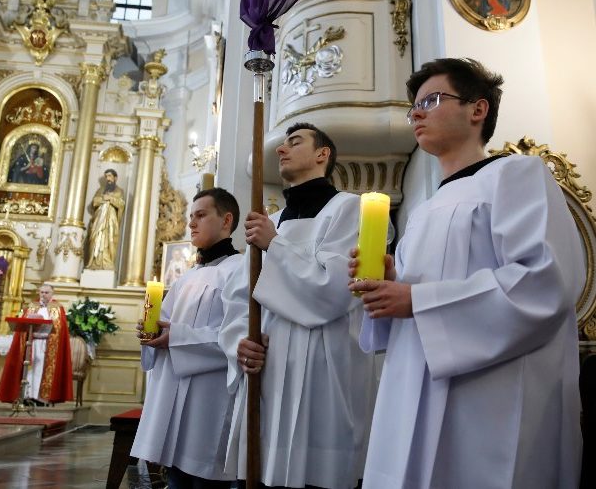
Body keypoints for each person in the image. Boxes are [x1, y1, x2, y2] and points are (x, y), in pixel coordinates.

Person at [349, 58, 584, 488]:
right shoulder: (422, 210)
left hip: (488, 397)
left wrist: (417, 300)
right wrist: (392, 282)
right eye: (413, 107)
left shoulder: (516, 175)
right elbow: (415, 298)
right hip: (413, 386)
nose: (416, 113)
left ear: (478, 110)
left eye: (432, 100)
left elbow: (544, 282)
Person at [220, 122, 376, 489]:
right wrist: (240, 342)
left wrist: (276, 246)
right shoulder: (270, 222)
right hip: (269, 371)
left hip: (324, 371)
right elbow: (238, 300)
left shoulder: (348, 209)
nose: (280, 149)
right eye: (282, 143)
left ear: (323, 154)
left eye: (295, 142)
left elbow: (335, 291)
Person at [131, 187, 243, 489]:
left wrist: (175, 337)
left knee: (206, 476)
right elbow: (164, 326)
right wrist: (151, 332)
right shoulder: (185, 277)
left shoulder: (242, 269)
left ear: (226, 220)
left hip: (211, 396)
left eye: (201, 215)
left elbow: (238, 337)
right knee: (176, 478)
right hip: (172, 392)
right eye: (190, 217)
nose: (191, 223)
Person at [0, 283, 73, 405]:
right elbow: (24, 324)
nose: (43, 295)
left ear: (52, 293)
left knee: (40, 369)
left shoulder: (57, 308)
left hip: (47, 345)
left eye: (46, 293)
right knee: (30, 369)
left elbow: (59, 328)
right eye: (41, 292)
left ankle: (41, 398)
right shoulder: (32, 306)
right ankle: (27, 396)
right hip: (31, 343)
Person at [86, 169, 125, 270]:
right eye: (106, 176)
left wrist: (110, 199)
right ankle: (94, 262)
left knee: (109, 239)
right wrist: (104, 198)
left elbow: (121, 205)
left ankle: (107, 262)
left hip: (111, 221)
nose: (108, 179)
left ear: (115, 178)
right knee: (96, 238)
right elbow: (95, 202)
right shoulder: (100, 190)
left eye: (110, 176)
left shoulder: (119, 191)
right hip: (99, 220)